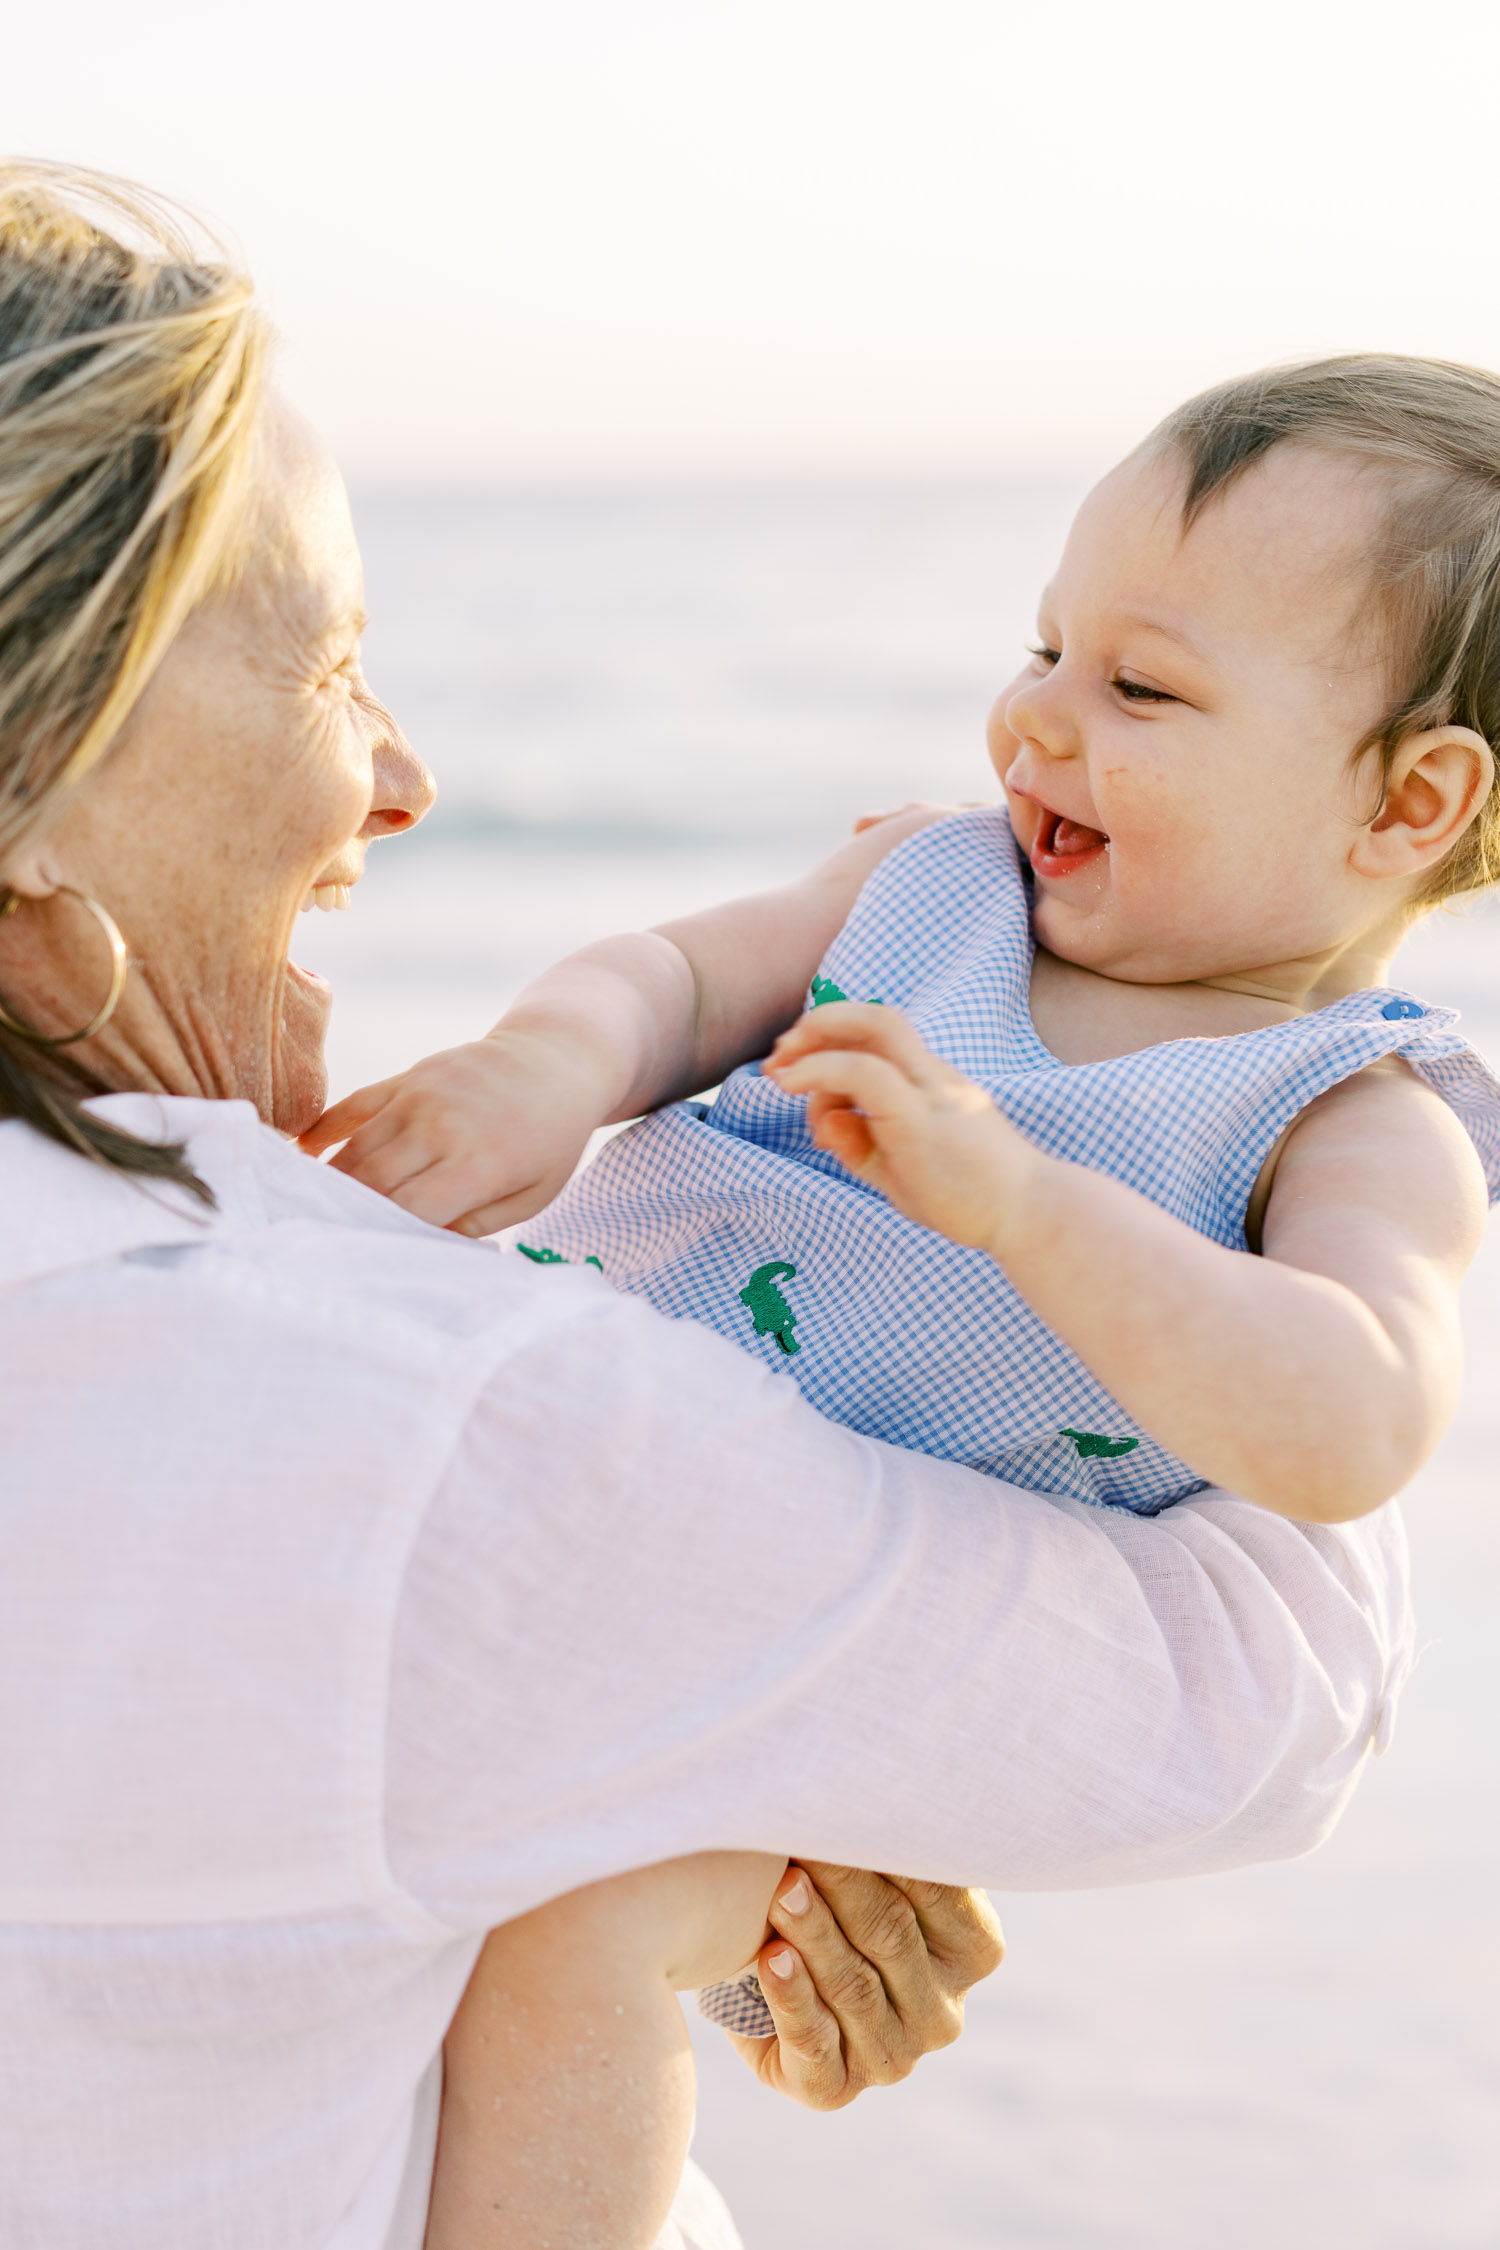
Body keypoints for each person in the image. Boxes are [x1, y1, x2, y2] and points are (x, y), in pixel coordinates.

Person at [0, 163, 1410, 2250]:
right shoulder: (399, 1426)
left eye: (1153, 691)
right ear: (33, 814)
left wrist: (702, 1753)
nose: (404, 782)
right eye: (325, 669)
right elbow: (1264, 1700)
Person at [312, 356, 1500, 2243]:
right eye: (1045, 644)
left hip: (785, 1654)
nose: (1039, 719)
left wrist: (1024, 1203)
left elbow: (1350, 1420)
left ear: (1409, 800)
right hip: (556, 1462)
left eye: (1142, 687)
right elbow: (675, 980)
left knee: (585, 1938)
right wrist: (547, 1066)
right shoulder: (923, 884)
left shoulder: (1348, 1115)